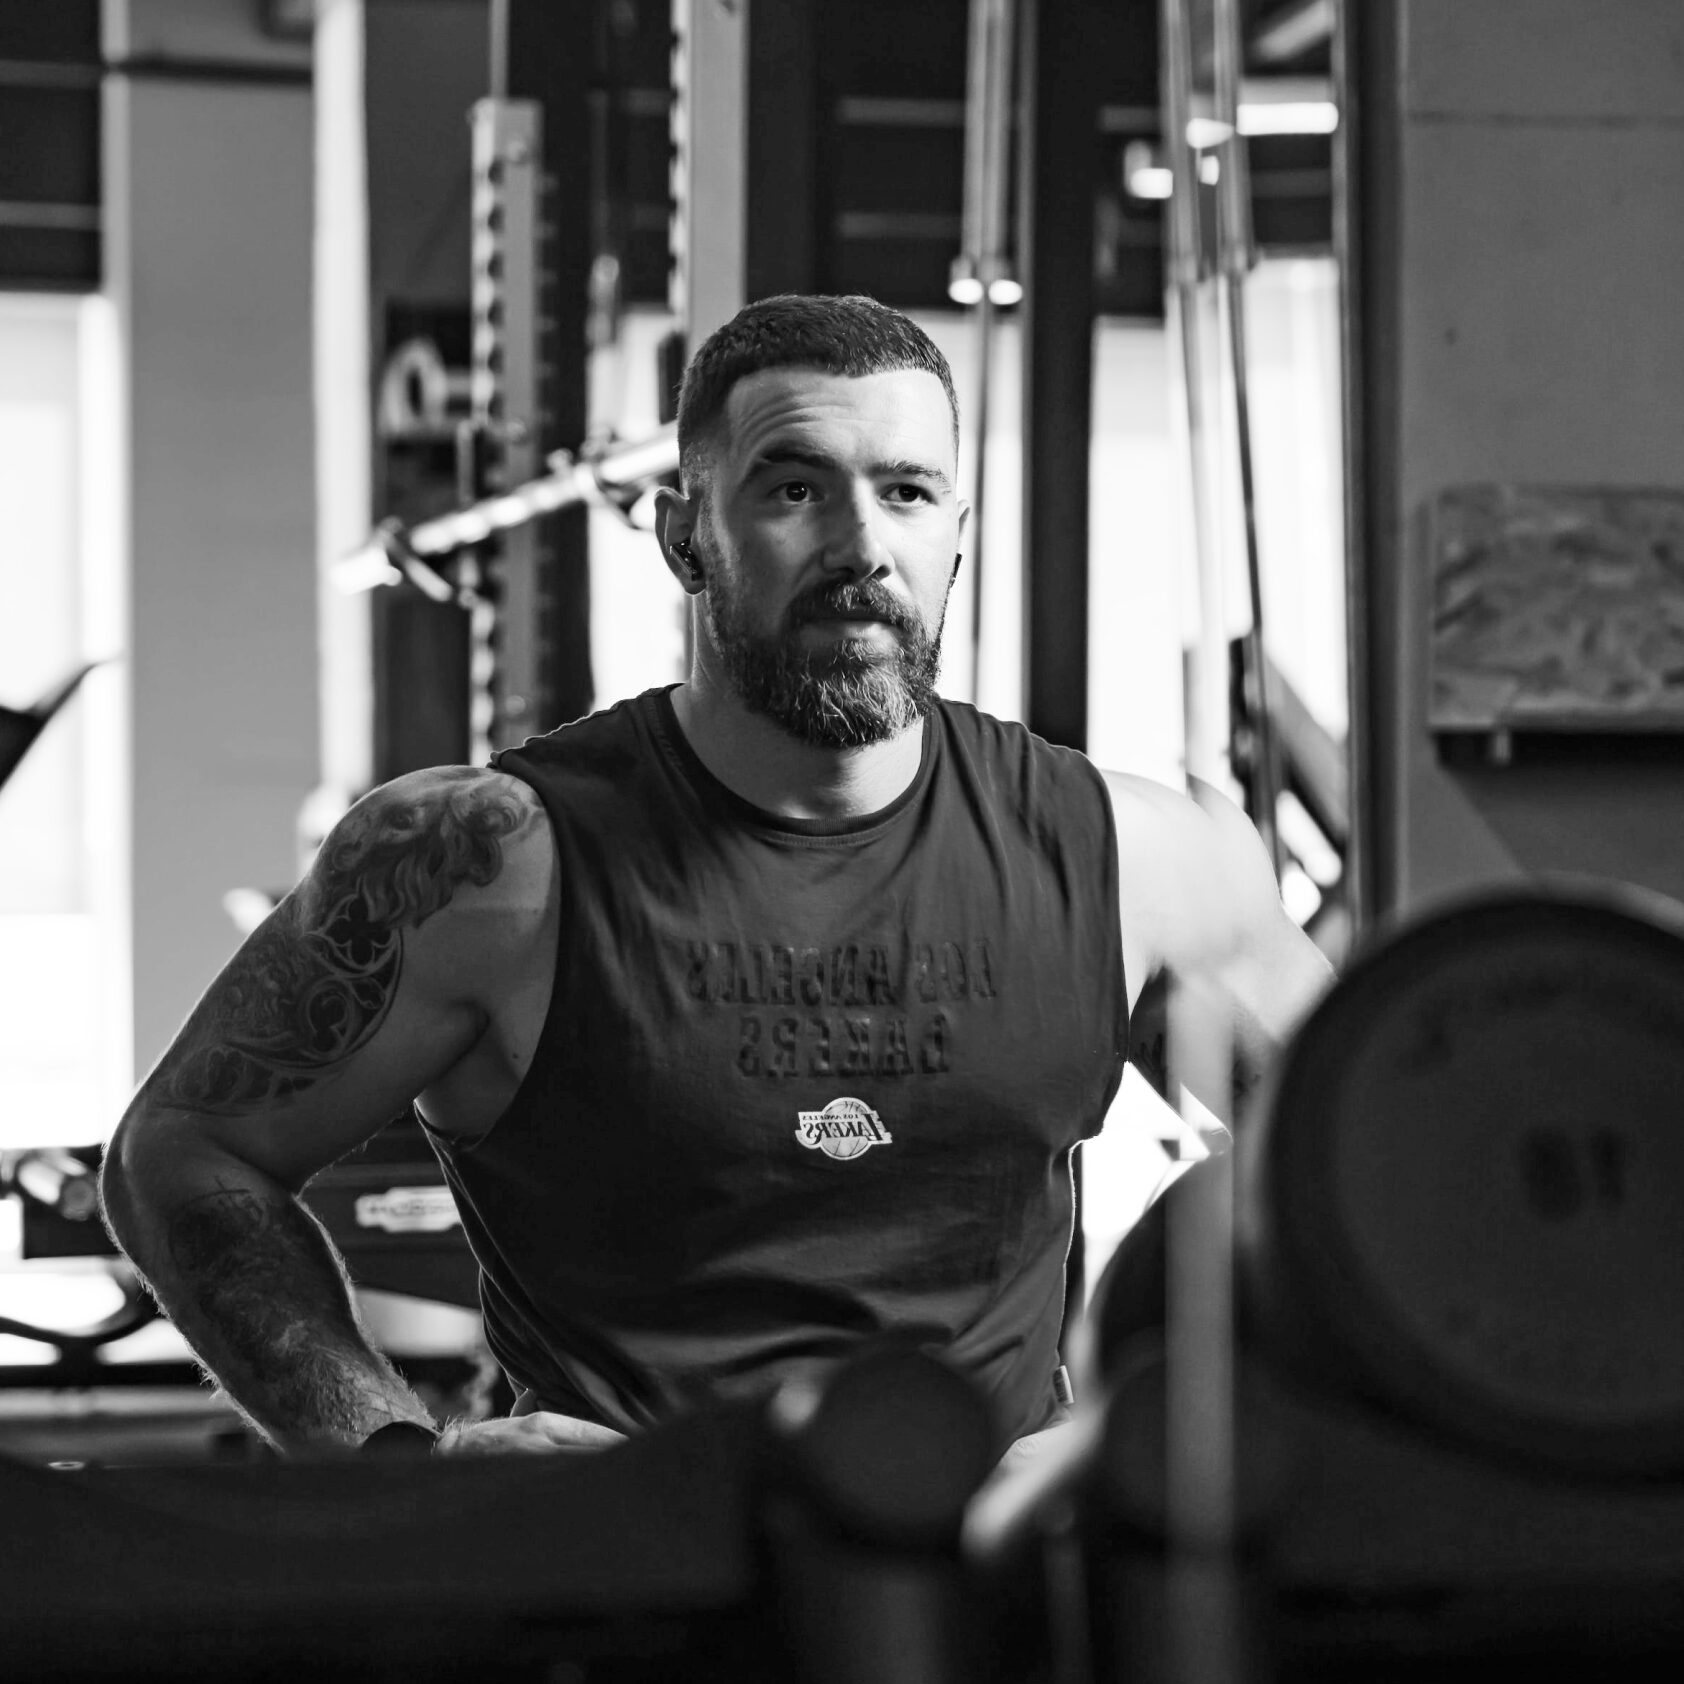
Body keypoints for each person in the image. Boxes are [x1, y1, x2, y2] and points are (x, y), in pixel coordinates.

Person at [101, 293, 1333, 1460]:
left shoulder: (1138, 861)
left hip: (991, 1561)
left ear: (957, 535)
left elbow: (1384, 1164)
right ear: (684, 535)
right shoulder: (486, 863)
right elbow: (181, 1154)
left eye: (906, 493)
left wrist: (1144, 1437)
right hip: (631, 1565)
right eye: (794, 489)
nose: (862, 546)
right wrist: (394, 1462)